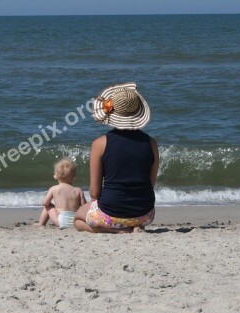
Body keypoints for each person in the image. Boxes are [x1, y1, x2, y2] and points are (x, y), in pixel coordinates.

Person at [74, 83, 159, 233]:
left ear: (111, 113)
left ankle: (117, 230)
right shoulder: (151, 143)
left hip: (111, 211)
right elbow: (150, 184)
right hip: (145, 213)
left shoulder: (99, 144)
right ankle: (134, 226)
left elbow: (94, 193)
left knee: (77, 219)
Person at [37, 158, 87, 229]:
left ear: (55, 176)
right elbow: (84, 207)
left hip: (61, 221)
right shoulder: (78, 190)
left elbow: (45, 203)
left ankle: (41, 224)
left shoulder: (54, 188)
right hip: (75, 221)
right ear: (74, 178)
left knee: (48, 206)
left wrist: (46, 202)